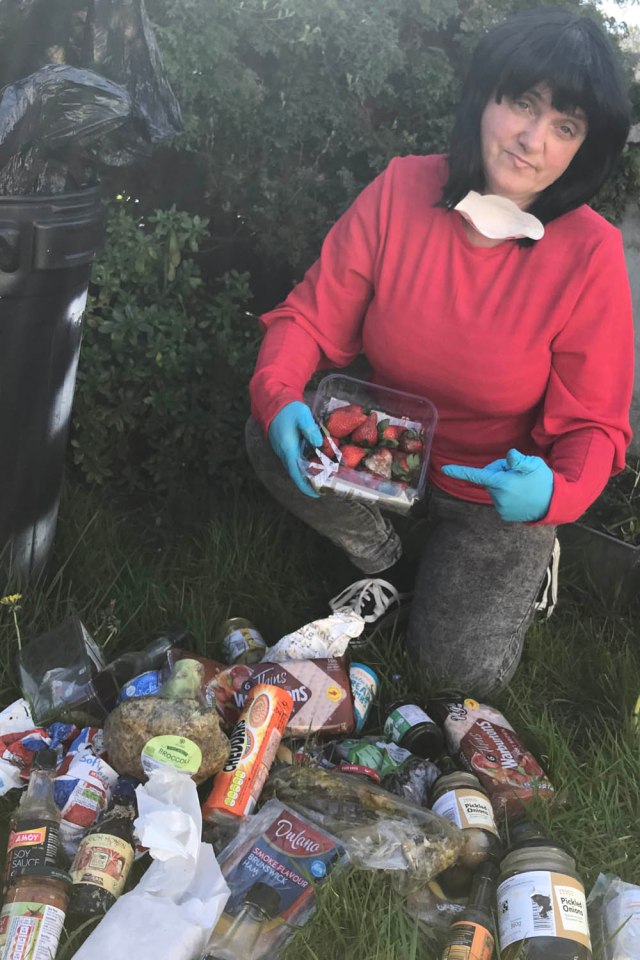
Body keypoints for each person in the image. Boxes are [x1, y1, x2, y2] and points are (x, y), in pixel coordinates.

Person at [245, 7, 634, 697]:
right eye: (521, 103)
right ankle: (387, 557)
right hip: (392, 447)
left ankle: (531, 558)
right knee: (270, 431)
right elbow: (308, 318)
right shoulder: (402, 188)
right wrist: (278, 399)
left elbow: (595, 426)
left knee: (458, 676)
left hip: (498, 486)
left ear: (584, 149)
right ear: (485, 96)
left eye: (564, 126)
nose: (531, 140)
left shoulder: (592, 252)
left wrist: (557, 492)